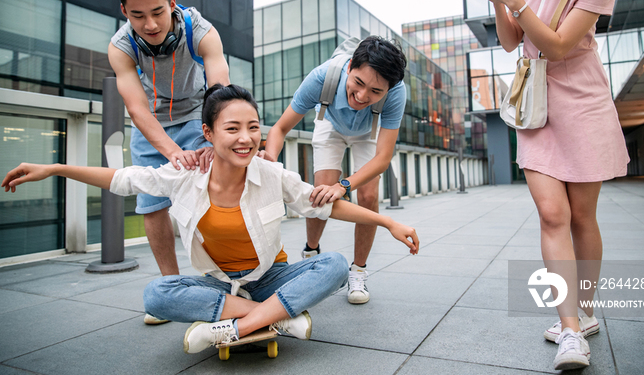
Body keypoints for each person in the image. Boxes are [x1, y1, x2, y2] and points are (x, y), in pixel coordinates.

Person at [2, 84, 419, 355]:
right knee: (156, 294)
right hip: (217, 282)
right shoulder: (185, 177)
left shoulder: (270, 172)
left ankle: (232, 328)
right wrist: (56, 169)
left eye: (253, 128)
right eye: (232, 128)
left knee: (334, 265)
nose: (246, 138)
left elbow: (321, 204)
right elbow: (123, 178)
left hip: (270, 275)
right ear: (208, 133)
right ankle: (278, 316)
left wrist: (387, 224)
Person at [472, 0, 628, 370]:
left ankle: (584, 310)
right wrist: (500, 0)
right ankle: (571, 332)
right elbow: (509, 41)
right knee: (552, 213)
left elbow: (559, 44)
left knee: (582, 217)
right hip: (535, 106)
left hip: (582, 103)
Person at [107, 0, 230, 325]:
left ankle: (225, 279)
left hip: (197, 113)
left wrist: (213, 137)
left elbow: (218, 87)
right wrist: (171, 152)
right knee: (151, 205)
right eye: (138, 15)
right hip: (152, 123)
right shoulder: (121, 47)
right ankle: (171, 287)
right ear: (124, 12)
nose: (150, 24)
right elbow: (136, 108)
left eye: (158, 12)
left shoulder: (201, 31)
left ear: (172, 4)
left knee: (211, 193)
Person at [259, 35, 407, 305]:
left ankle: (358, 271)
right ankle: (310, 252)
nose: (362, 96)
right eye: (358, 83)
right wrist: (269, 158)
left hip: (369, 130)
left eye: (375, 92)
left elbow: (383, 157)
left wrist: (344, 186)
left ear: (389, 89)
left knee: (369, 197)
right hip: (331, 123)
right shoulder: (322, 78)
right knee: (320, 193)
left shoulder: (396, 93)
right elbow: (280, 128)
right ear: (350, 66)